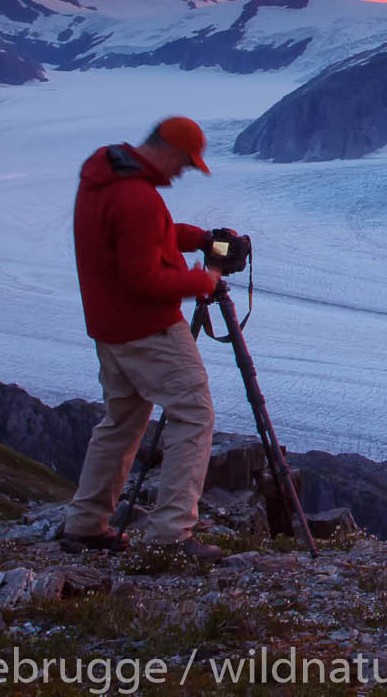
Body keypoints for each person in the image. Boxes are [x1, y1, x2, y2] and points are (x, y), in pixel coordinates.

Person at [60, 116, 228, 561]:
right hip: (147, 329)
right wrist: (202, 282)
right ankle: (171, 536)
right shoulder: (138, 198)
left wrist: (199, 238)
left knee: (121, 422)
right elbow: (143, 279)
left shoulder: (105, 178)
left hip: (109, 330)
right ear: (169, 151)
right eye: (185, 164)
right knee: (194, 414)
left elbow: (142, 239)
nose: (182, 173)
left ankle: (85, 525)